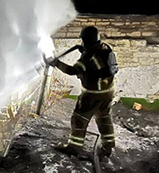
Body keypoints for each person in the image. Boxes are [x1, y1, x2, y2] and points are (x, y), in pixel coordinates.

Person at [46, 26, 118, 158]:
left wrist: (57, 63)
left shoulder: (88, 58)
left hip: (93, 95)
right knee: (104, 118)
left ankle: (74, 147)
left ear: (85, 41)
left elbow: (72, 71)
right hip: (108, 93)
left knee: (79, 119)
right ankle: (108, 147)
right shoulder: (105, 49)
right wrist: (84, 50)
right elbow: (100, 65)